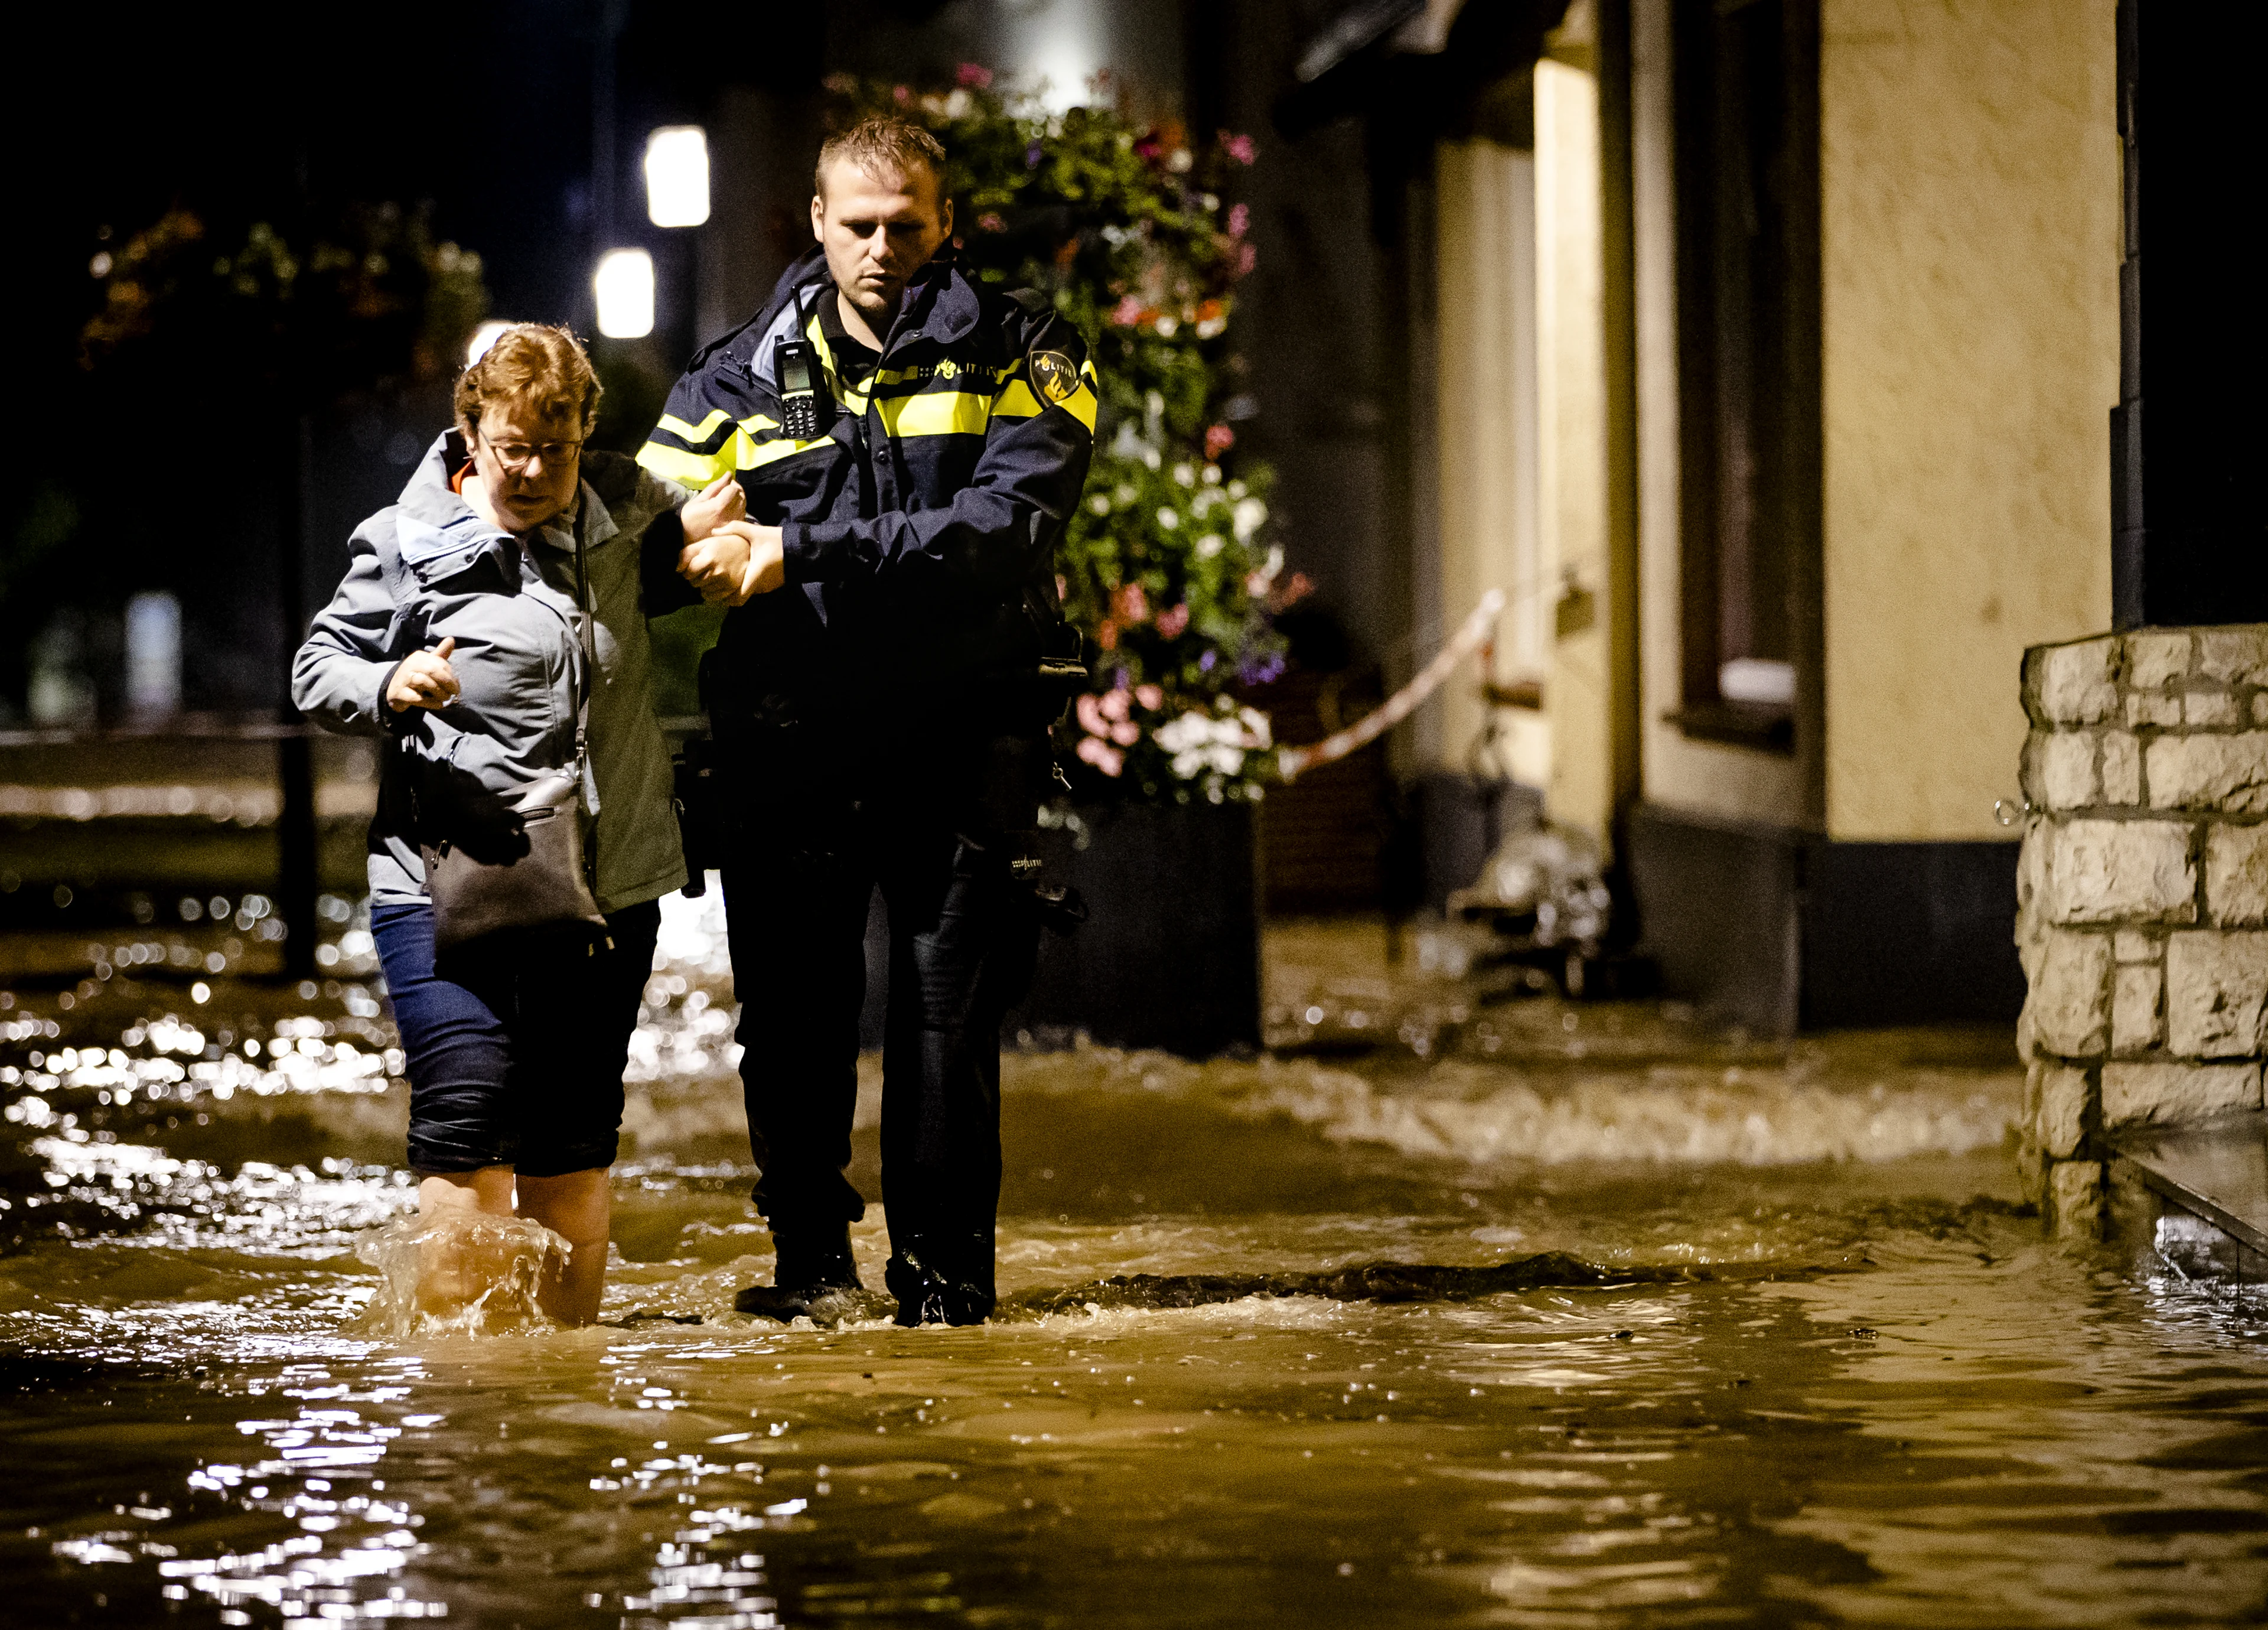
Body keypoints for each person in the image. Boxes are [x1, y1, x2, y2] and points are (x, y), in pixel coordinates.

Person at [638, 116, 1097, 1326]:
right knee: (792, 1013)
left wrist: (793, 551)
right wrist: (669, 542)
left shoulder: (1026, 350)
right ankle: (808, 1273)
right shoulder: (734, 377)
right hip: (791, 740)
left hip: (961, 734)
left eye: (907, 225)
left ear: (946, 223)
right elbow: (627, 555)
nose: (883, 248)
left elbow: (1008, 532)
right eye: (860, 225)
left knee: (947, 1016)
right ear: (818, 223)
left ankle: (946, 1290)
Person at [294, 323, 778, 1324]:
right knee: (467, 1118)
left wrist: (723, 540)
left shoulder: (624, 514)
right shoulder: (404, 540)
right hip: (449, 887)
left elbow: (709, 534)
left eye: (553, 450)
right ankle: (465, 1397)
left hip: (607, 887)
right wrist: (391, 682)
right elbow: (316, 669)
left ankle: (556, 1406)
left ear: (582, 437)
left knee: (571, 1134)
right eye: (510, 446)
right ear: (471, 431)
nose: (530, 471)